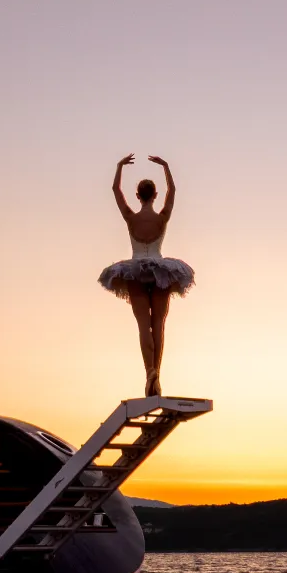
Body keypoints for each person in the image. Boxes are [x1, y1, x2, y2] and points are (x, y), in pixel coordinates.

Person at [99, 154, 194, 397]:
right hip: (161, 270)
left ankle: (149, 371)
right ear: (155, 196)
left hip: (136, 270)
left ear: (138, 196)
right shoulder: (162, 218)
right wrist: (166, 167)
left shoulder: (131, 218)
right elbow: (173, 190)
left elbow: (115, 190)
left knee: (143, 326)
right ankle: (157, 375)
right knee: (158, 325)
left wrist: (119, 166)